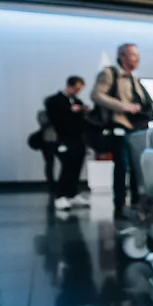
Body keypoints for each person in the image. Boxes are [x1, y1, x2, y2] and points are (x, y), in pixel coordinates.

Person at [91, 43, 153, 220]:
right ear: (123, 57)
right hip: (120, 125)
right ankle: (119, 205)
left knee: (136, 166)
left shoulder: (134, 79)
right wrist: (123, 106)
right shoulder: (109, 74)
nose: (137, 59)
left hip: (137, 129)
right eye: (133, 55)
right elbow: (96, 95)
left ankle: (136, 203)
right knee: (122, 165)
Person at [45, 76, 91, 211]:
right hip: (62, 138)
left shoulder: (77, 101)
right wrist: (70, 111)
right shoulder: (54, 100)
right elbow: (55, 118)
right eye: (76, 88)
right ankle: (60, 195)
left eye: (80, 89)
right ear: (69, 85)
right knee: (67, 166)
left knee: (77, 166)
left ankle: (72, 193)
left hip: (77, 138)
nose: (77, 92)